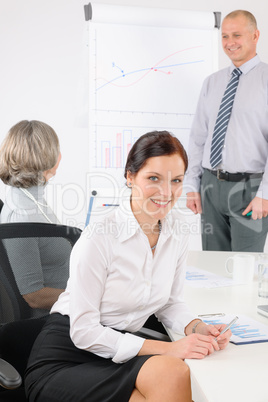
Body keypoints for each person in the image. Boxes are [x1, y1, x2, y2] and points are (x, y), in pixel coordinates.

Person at [25, 131, 231, 402]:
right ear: (130, 176)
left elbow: (169, 303)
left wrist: (196, 327)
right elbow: (84, 331)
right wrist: (170, 349)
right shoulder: (99, 238)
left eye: (177, 180)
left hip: (122, 349)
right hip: (68, 356)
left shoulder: (176, 233)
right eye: (153, 178)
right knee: (171, 370)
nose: (167, 193)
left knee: (173, 373)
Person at [185, 10, 268, 251]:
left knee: (244, 270)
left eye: (237, 35)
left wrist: (265, 194)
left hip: (250, 188)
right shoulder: (212, 81)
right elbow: (198, 138)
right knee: (212, 269)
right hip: (210, 186)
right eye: (224, 36)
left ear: (255, 36)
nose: (230, 43)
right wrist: (192, 185)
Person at [0, 120, 70, 316]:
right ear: (53, 158)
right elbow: (34, 296)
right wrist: (89, 297)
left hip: (71, 310)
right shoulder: (22, 217)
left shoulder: (31, 200)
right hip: (57, 321)